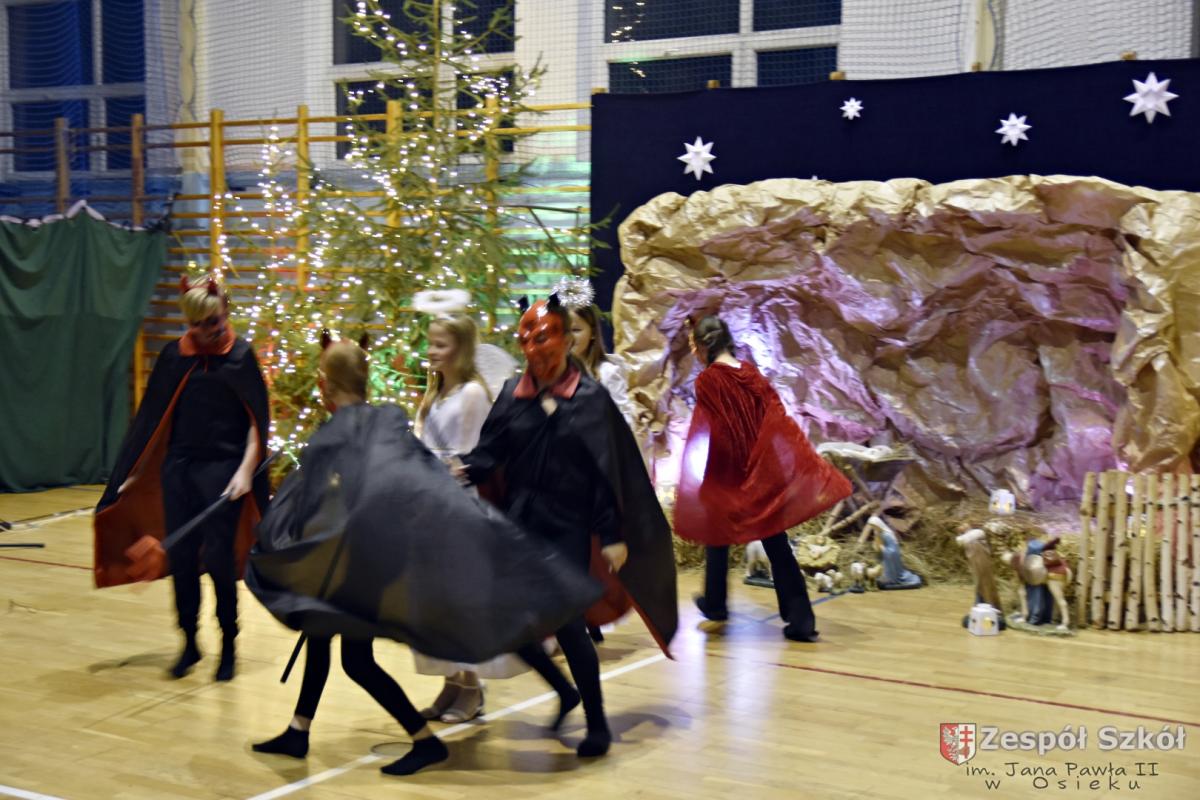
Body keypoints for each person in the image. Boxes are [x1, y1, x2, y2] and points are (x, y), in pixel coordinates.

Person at [248, 334, 598, 776]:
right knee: (319, 634)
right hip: (377, 557)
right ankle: (299, 730)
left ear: (326, 385)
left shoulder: (334, 436)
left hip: (360, 565)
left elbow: (309, 505)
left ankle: (424, 741)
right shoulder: (386, 421)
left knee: (356, 661)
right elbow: (420, 478)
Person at [453, 294, 678, 759]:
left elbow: (606, 471)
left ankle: (596, 722)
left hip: (569, 525)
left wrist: (612, 534)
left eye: (547, 344)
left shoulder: (590, 399)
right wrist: (460, 471)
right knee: (511, 623)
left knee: (569, 625)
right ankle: (564, 690)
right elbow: (491, 453)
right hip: (520, 523)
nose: (539, 358)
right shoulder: (513, 394)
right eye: (530, 346)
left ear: (563, 344)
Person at [94, 276, 269, 682]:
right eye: (198, 325)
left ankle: (229, 645)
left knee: (220, 560)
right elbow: (153, 419)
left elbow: (257, 422)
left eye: (214, 322)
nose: (208, 331)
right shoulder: (175, 356)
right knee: (183, 557)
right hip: (180, 468)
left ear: (225, 312)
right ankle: (189, 641)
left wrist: (245, 470)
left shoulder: (240, 355)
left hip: (223, 470)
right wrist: (133, 472)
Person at [674, 315, 851, 642]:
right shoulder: (750, 373)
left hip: (730, 471)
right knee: (776, 543)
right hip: (760, 472)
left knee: (717, 533)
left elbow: (715, 431)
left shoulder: (709, 381)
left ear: (703, 346)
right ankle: (801, 619)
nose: (694, 353)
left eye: (694, 346)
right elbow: (775, 418)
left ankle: (716, 605)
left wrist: (710, 477)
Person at [412, 314, 525, 724]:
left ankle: (472, 687)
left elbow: (481, 454)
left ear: (459, 350)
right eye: (430, 343)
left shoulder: (473, 394)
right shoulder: (434, 394)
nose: (431, 351)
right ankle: (451, 681)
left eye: (440, 345)